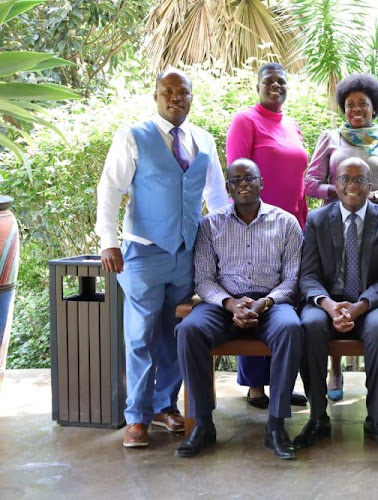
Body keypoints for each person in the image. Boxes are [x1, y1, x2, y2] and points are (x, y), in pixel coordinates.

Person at [95, 68, 229, 448]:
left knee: (174, 334)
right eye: (167, 92)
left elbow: (216, 199)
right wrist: (109, 241)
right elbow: (111, 188)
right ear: (156, 96)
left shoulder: (203, 139)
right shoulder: (134, 136)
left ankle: (164, 405)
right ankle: (136, 417)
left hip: (186, 255)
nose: (176, 98)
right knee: (139, 335)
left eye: (183, 92)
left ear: (191, 97)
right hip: (142, 252)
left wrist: (223, 248)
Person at [173, 158, 303, 460]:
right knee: (189, 330)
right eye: (236, 180)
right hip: (223, 302)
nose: (243, 184)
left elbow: (293, 278)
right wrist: (230, 303)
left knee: (291, 329)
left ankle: (276, 425)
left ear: (261, 182)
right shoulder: (210, 224)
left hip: (271, 302)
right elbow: (203, 279)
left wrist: (264, 302)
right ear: (229, 187)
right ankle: (203, 423)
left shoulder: (286, 222)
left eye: (249, 178)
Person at [305, 72, 378, 401]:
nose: (356, 110)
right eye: (350, 104)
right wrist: (342, 193)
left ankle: (373, 399)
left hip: (375, 223)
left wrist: (377, 197)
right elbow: (309, 182)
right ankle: (334, 367)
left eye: (363, 104)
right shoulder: (331, 138)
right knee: (336, 281)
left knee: (372, 283)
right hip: (335, 224)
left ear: (374, 108)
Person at [294, 158, 378, 451]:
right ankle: (318, 417)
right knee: (310, 325)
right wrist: (329, 306)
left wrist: (360, 306)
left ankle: (376, 419)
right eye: (344, 179)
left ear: (370, 186)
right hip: (328, 301)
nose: (351, 185)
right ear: (335, 184)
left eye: (359, 180)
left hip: (370, 301)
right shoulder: (317, 220)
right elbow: (308, 275)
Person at [226, 62, 309, 410]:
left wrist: (304, 221)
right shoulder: (245, 121)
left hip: (291, 227)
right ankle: (255, 385)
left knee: (283, 303)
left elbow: (300, 180)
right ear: (258, 86)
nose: (276, 86)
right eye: (268, 82)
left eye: (281, 82)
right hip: (254, 226)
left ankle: (281, 381)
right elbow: (237, 173)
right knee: (252, 292)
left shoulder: (291, 125)